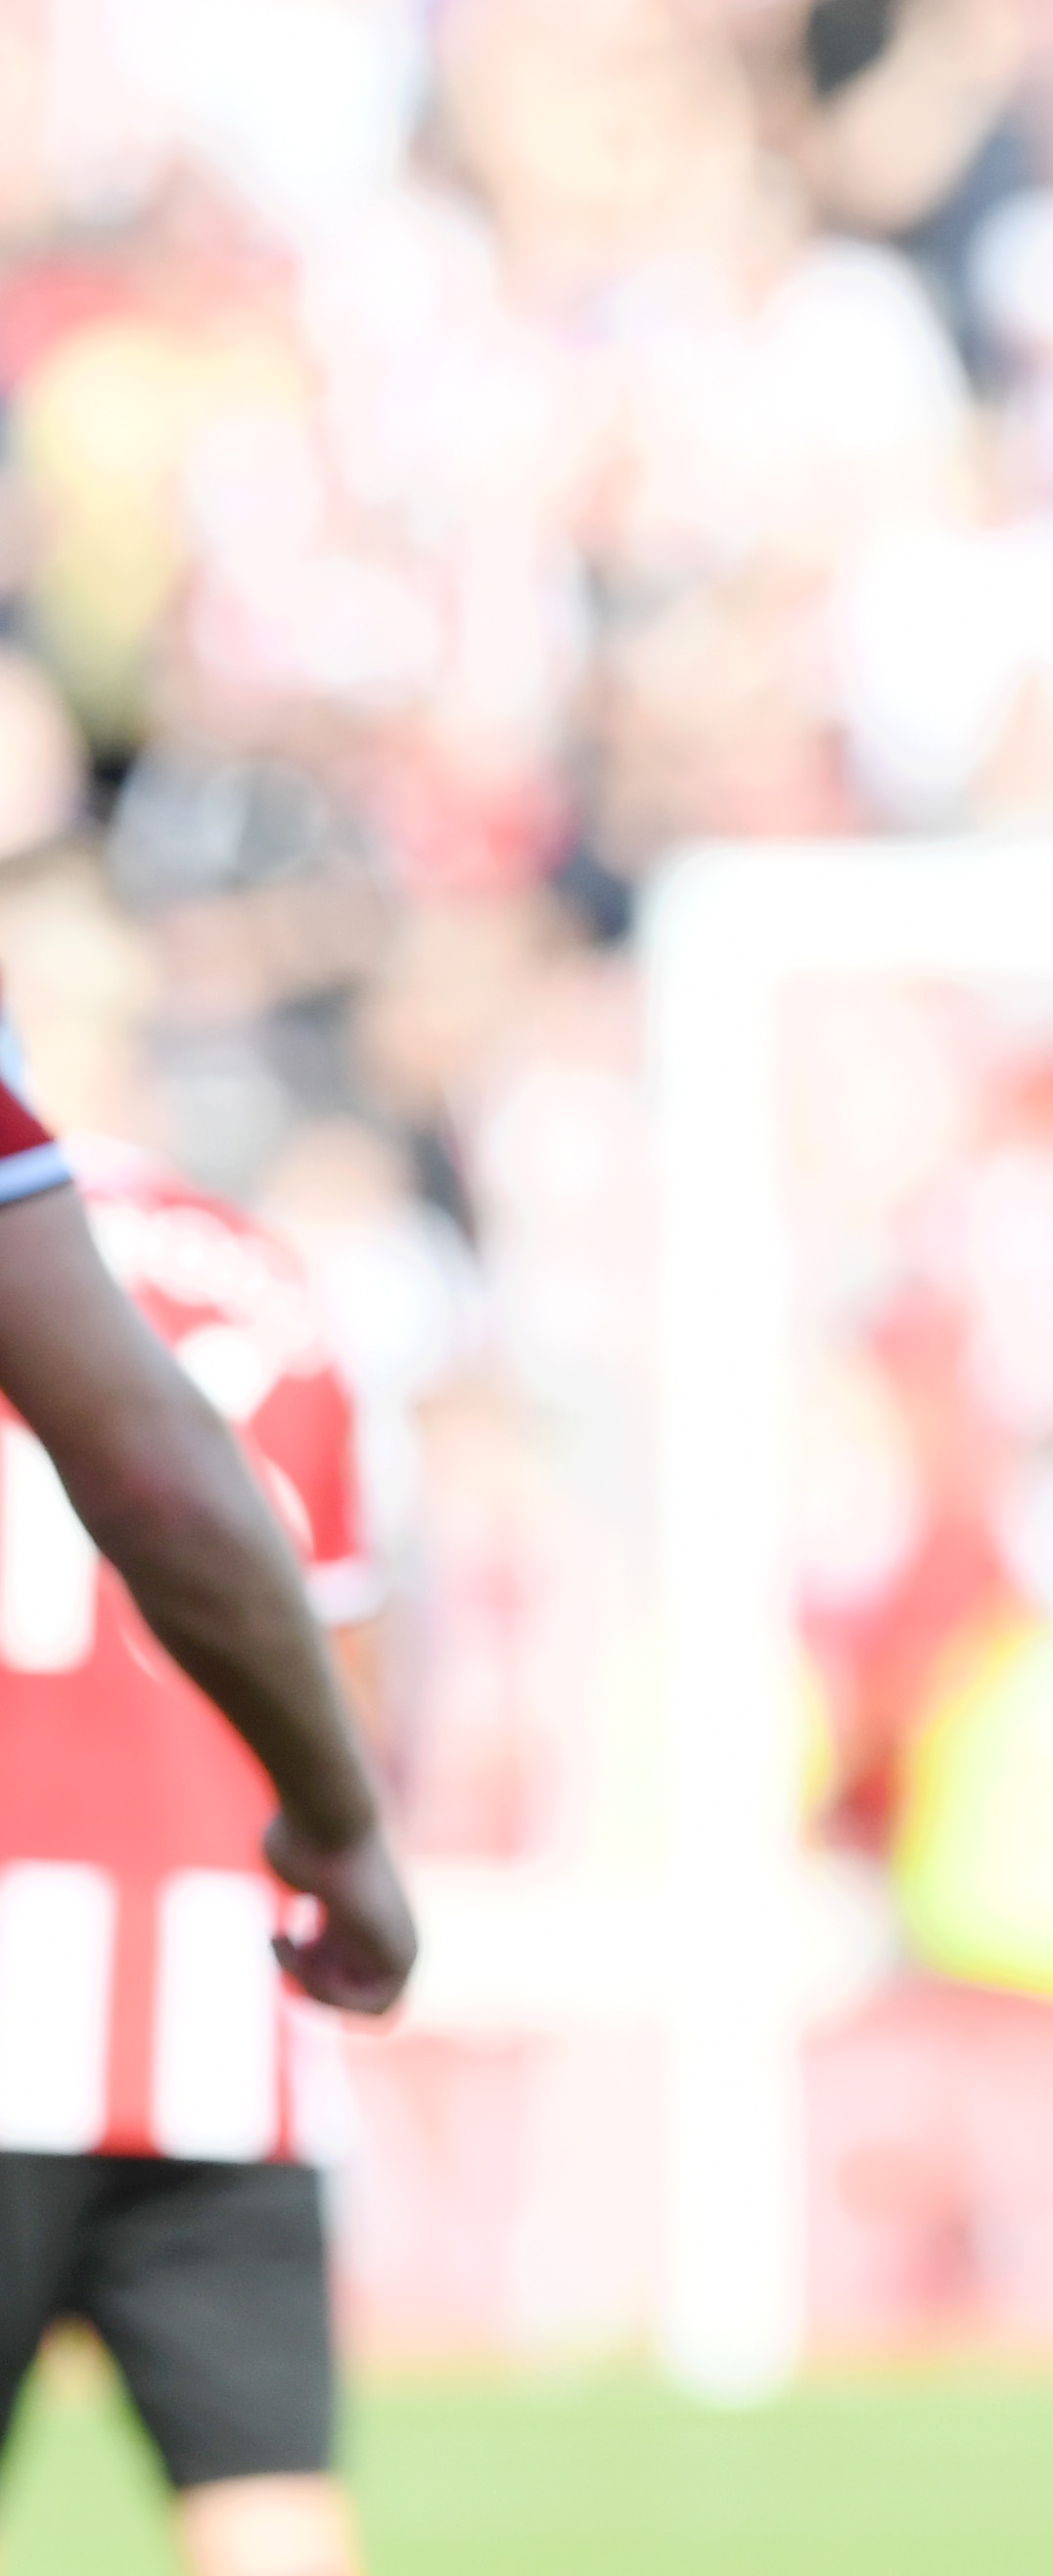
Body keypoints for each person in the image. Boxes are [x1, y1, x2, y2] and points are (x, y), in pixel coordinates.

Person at [0, 1057, 413, 2576]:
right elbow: (338, 1636)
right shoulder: (274, 1285)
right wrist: (345, 1828)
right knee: (268, 2501)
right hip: (233, 2003)